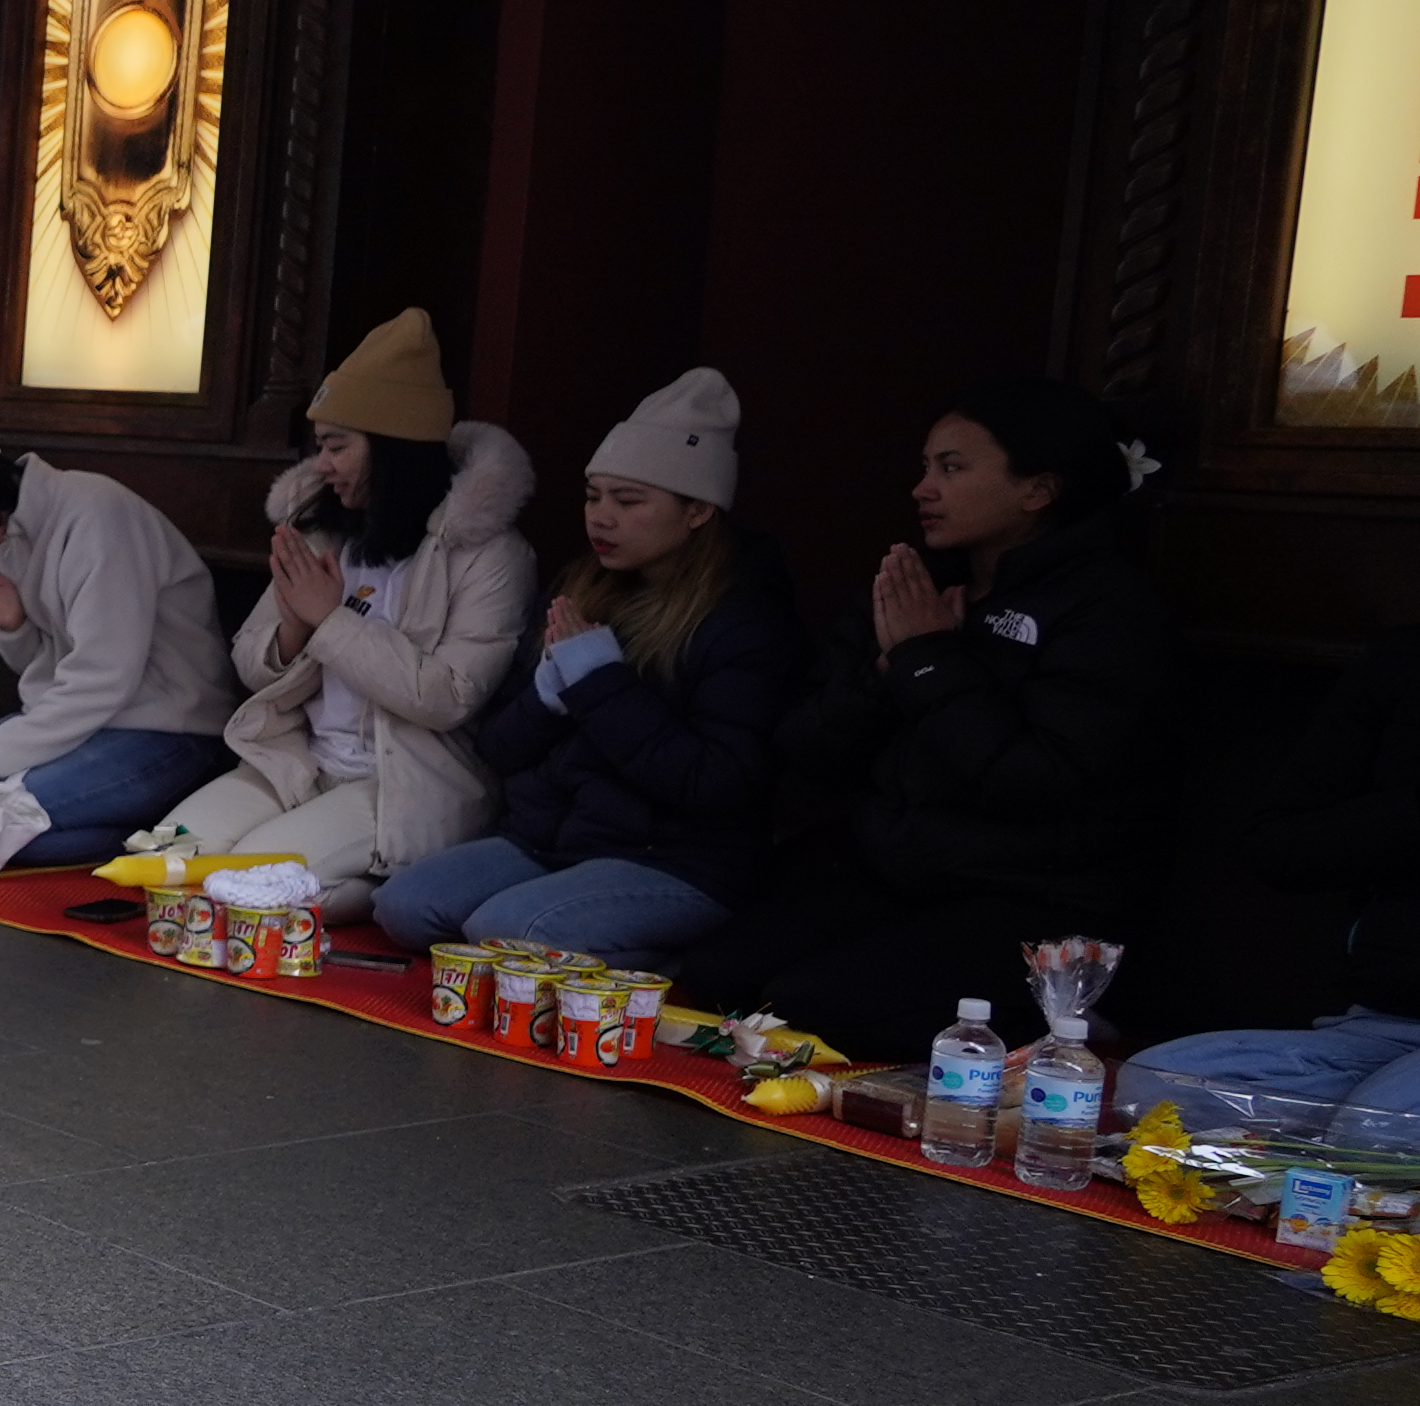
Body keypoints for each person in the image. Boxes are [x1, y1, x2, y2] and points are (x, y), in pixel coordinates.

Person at [683, 376, 1175, 1063]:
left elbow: (1040, 778)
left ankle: (1064, 1029)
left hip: (1026, 896)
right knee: (708, 985)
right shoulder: (911, 585)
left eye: (951, 468)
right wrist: (888, 673)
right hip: (893, 870)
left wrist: (931, 660)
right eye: (925, 467)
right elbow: (804, 747)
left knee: (814, 1012)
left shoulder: (1106, 607)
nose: (922, 488)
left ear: (1037, 490)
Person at [375, 369, 809, 965]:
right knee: (405, 906)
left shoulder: (744, 620)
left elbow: (717, 782)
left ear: (698, 512)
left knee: (507, 932)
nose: (600, 517)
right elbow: (499, 746)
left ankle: (686, 969)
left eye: (628, 501)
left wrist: (601, 683)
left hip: (676, 859)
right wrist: (549, 695)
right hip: (552, 841)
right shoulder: (579, 587)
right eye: (593, 495)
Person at [142, 312, 543, 918]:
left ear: (394, 449)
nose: (322, 464)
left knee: (248, 894)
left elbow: (448, 698)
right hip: (300, 761)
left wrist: (331, 623)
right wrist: (296, 630)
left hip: (401, 785)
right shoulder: (328, 532)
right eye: (320, 446)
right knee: (163, 860)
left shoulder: (489, 553)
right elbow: (252, 667)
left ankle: (385, 890)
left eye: (337, 446)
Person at [0, 407, 235, 869]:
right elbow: (48, 675)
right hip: (82, 725)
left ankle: (141, 827)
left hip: (169, 733)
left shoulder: (95, 511)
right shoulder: (0, 534)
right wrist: (16, 627)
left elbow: (103, 677)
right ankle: (132, 835)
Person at [1120, 627, 1420, 1149]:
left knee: (1378, 1128)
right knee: (1155, 1088)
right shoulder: (1404, 659)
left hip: (1387, 1096)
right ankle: (1352, 1158)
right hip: (1383, 1024)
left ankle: (1359, 1151)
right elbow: (1279, 847)